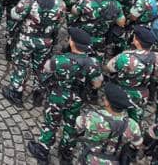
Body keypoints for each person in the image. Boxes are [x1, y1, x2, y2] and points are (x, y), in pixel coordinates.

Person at [25, 26, 101, 164]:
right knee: (71, 124)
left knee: (51, 122)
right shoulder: (94, 64)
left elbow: (45, 71)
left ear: (72, 42)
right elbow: (97, 84)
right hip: (77, 97)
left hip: (57, 96)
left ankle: (43, 149)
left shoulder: (59, 60)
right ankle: (66, 152)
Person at [73, 83, 142, 163]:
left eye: (104, 97)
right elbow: (137, 143)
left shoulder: (93, 118)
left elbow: (78, 124)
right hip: (114, 160)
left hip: (90, 160)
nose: (103, 98)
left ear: (107, 103)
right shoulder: (133, 125)